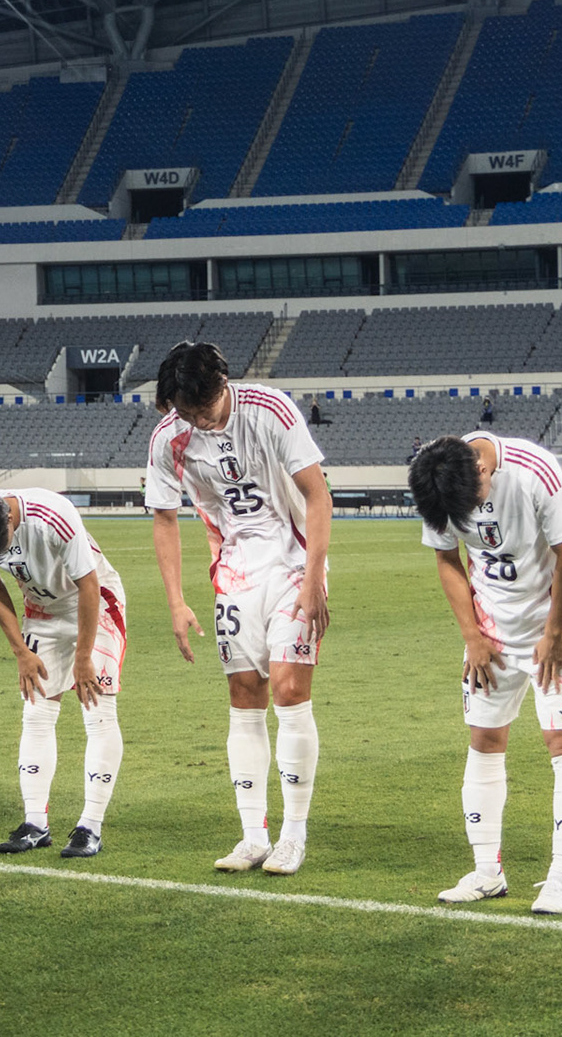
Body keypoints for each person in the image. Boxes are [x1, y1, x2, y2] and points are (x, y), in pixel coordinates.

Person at [147, 341, 332, 876]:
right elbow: (164, 517)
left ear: (222, 388)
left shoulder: (270, 410)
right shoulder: (170, 436)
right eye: (184, 412)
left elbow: (317, 495)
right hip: (234, 568)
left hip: (296, 560)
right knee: (244, 693)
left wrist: (315, 578)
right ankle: (254, 835)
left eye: (200, 410)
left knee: (290, 689)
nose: (195, 421)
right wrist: (177, 601)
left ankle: (293, 836)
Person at [408, 434, 562, 915]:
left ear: (483, 470)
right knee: (485, 739)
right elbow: (447, 559)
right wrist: (472, 635)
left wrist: (554, 634)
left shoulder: (536, 471)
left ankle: (561, 879)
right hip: (490, 629)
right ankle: (488, 872)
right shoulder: (439, 479)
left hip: (552, 626)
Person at [0, 487, 126, 859]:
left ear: (10, 521)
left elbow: (89, 584)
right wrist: (20, 651)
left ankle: (90, 825)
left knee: (98, 712)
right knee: (37, 713)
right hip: (41, 612)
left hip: (95, 605)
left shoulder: (53, 516)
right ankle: (35, 823)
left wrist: (84, 656)